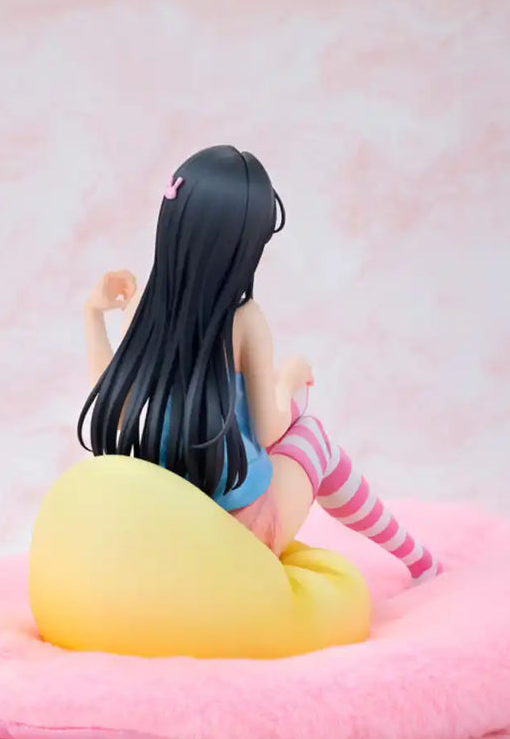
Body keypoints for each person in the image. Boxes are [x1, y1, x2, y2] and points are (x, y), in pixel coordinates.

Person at [79, 145, 441, 582]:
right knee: (312, 436)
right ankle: (417, 559)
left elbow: (115, 405)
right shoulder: (244, 319)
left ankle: (416, 558)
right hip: (235, 541)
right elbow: (270, 431)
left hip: (171, 523)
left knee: (267, 415)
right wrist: (288, 378)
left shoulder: (141, 306)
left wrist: (93, 314)